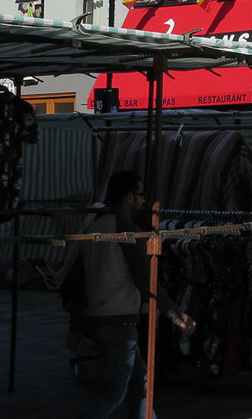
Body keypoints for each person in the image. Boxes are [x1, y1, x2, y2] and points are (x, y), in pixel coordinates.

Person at [78, 170, 194, 419]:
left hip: (101, 318)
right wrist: (177, 315)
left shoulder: (94, 227)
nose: (144, 201)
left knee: (139, 380)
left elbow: (78, 280)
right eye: (141, 195)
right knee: (113, 391)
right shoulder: (128, 233)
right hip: (118, 322)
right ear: (129, 197)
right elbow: (148, 284)